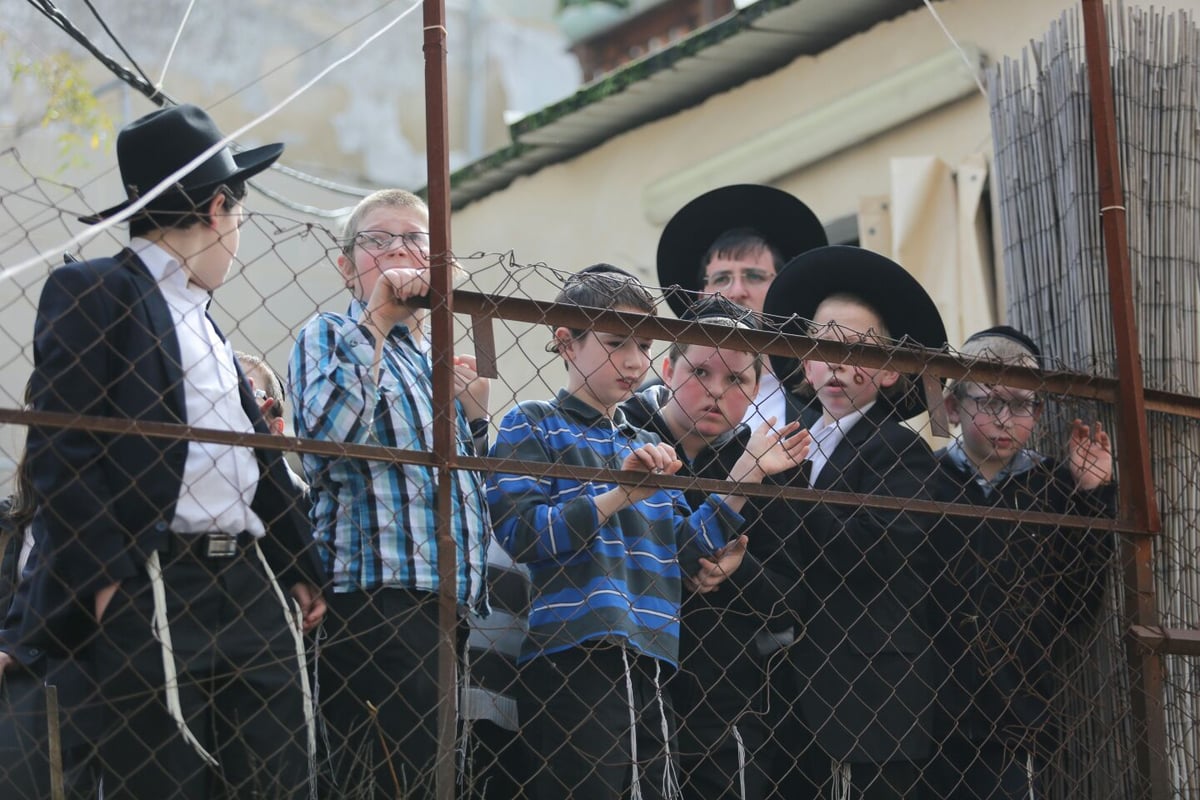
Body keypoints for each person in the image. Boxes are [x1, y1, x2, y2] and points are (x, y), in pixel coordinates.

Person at [17, 103, 326, 798]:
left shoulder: (204, 318)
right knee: (165, 776)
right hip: (155, 577)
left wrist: (296, 562)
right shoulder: (98, 291)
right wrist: (107, 586)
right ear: (219, 209)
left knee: (281, 776)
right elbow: (60, 450)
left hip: (249, 581)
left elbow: (253, 455)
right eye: (239, 218)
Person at [486, 266, 809, 800]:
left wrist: (744, 475)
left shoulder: (643, 441)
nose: (633, 361)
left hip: (652, 658)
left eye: (642, 344)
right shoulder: (533, 421)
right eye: (616, 343)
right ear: (566, 342)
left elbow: (683, 551)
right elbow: (524, 535)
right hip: (574, 655)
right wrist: (617, 496)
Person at [289, 188, 492, 799]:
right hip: (375, 596)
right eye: (380, 240)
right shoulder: (329, 332)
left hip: (452, 601)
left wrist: (475, 417)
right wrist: (377, 320)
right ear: (348, 265)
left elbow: (471, 488)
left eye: (416, 240)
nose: (401, 252)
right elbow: (327, 439)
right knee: (382, 777)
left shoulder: (434, 359)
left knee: (439, 778)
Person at [758, 245, 949, 799]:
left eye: (857, 350)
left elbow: (875, 549)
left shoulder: (899, 451)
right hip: (785, 691)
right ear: (803, 359)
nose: (837, 362)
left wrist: (788, 488)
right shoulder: (785, 439)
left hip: (869, 693)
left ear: (889, 371)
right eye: (822, 346)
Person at [621, 294, 810, 799]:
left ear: (756, 390)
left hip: (727, 702)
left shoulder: (772, 465)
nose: (715, 392)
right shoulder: (621, 436)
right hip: (629, 687)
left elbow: (793, 597)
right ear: (666, 367)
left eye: (736, 380)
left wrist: (738, 570)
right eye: (700, 372)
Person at [928, 326, 1115, 799]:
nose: (1005, 419)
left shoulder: (1053, 486)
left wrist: (1092, 497)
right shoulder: (923, 478)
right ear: (952, 406)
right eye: (989, 401)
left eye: (1022, 404)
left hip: (1017, 711)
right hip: (922, 708)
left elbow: (1080, 600)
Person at [656, 183, 827, 431]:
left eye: (754, 276)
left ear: (780, 287)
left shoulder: (821, 403)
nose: (736, 292)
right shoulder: (648, 403)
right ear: (701, 295)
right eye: (722, 279)